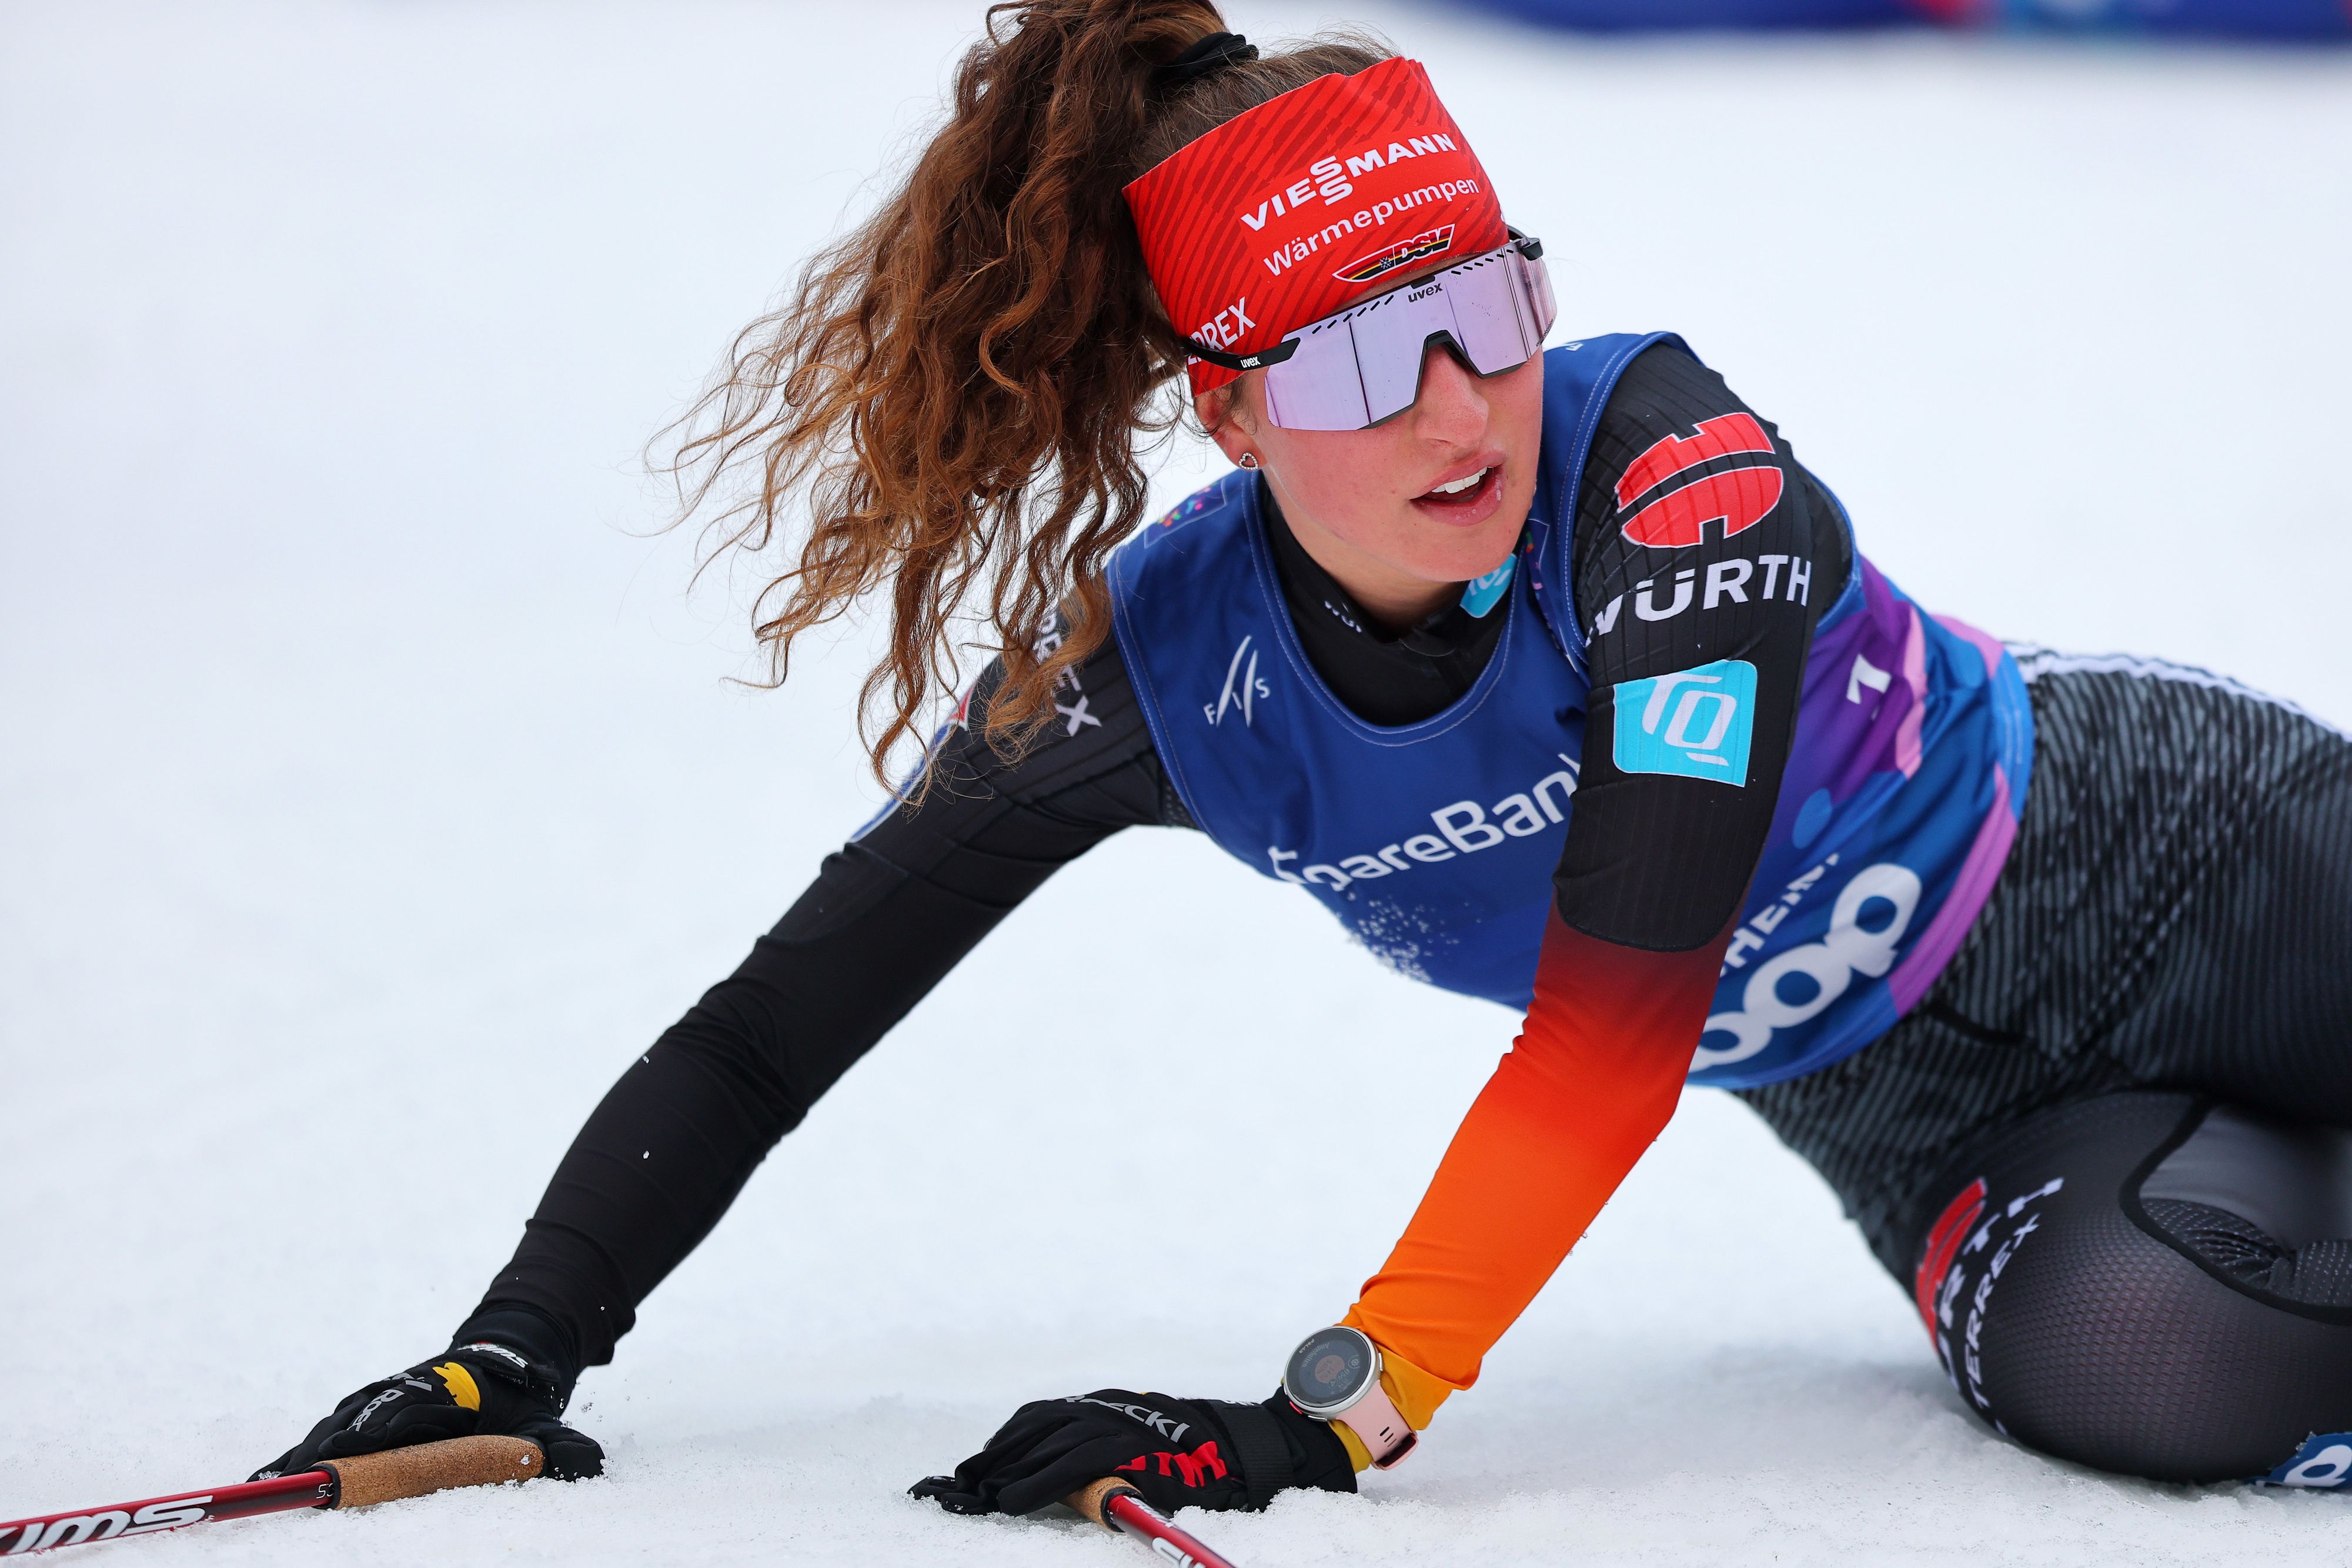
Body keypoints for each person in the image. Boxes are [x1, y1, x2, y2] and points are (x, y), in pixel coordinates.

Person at [258, 0, 2352, 1514]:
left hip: (2169, 860)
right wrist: (517, 1344)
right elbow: (772, 1025)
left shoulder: (1663, 468)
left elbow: (1614, 1025)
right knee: (2158, 1363)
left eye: (1486, 308)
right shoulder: (1164, 672)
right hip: (1911, 1110)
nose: (1459, 404)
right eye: (1354, 348)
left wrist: (1334, 1410)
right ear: (1232, 408)